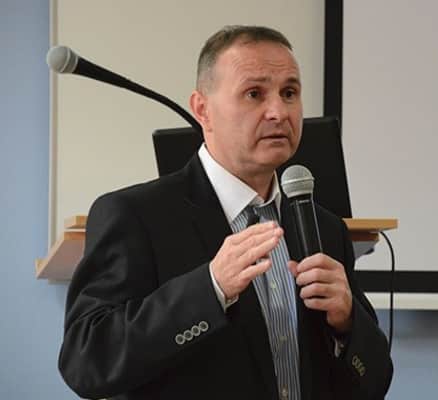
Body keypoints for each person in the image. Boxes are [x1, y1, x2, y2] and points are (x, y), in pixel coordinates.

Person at [58, 25, 393, 400]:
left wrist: (347, 323)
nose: (278, 112)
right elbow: (86, 362)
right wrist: (210, 287)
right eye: (254, 94)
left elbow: (375, 383)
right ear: (203, 110)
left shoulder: (324, 228)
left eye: (289, 93)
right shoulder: (135, 216)